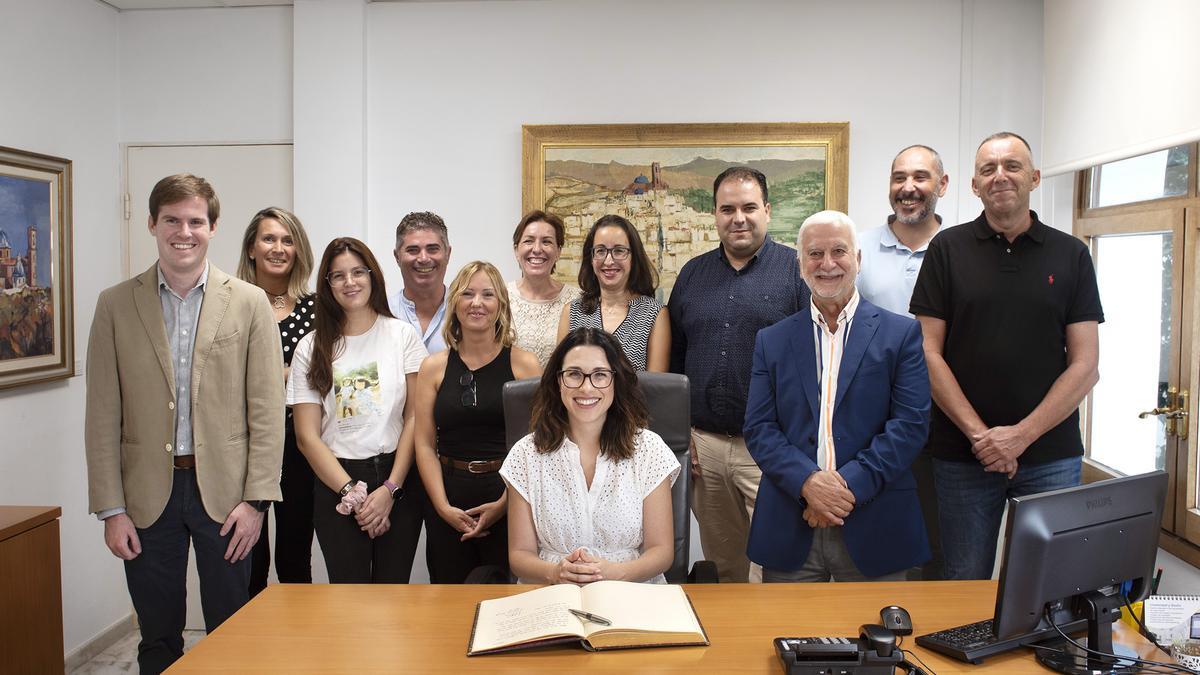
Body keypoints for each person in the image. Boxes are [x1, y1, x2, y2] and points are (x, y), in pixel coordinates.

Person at [85, 174, 284, 674]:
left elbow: (266, 408)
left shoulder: (248, 302)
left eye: (196, 221)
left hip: (228, 498)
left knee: (231, 633)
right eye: (172, 220)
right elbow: (103, 413)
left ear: (213, 227)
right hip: (146, 499)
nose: (184, 231)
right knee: (157, 636)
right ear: (152, 223)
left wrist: (256, 501)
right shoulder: (114, 304)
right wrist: (111, 509)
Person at [910, 131, 1103, 581]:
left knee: (1046, 586)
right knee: (962, 581)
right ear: (974, 186)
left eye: (1012, 166)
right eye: (988, 169)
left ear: (1034, 178)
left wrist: (1019, 437)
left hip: (1051, 455)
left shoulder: (1071, 254)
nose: (1001, 176)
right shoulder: (947, 250)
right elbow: (927, 351)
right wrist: (983, 438)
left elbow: (1086, 365)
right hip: (962, 454)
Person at [744, 210, 931, 582]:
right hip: (791, 522)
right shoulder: (772, 340)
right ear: (800, 265)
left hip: (875, 523)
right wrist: (809, 484)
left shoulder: (901, 335)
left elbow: (909, 427)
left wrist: (842, 491)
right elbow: (760, 428)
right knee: (784, 639)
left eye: (839, 251)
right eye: (815, 254)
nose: (827, 264)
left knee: (880, 639)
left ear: (858, 260)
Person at [668, 166, 809, 583]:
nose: (738, 218)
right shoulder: (692, 274)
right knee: (725, 566)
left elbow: (814, 365)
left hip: (769, 450)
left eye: (749, 207)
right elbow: (676, 360)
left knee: (777, 568)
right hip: (705, 449)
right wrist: (682, 432)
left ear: (767, 210)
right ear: (714, 215)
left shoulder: (796, 270)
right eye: (727, 209)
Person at [287, 237, 429, 583]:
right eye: (338, 276)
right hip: (337, 480)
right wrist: (351, 492)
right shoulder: (312, 345)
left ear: (372, 276)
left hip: (397, 479)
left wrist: (390, 489)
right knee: (348, 598)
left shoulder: (402, 335)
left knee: (393, 593)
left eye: (357, 272)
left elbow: (415, 417)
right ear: (328, 284)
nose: (350, 282)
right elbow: (306, 436)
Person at [501, 327, 679, 584]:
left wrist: (614, 573)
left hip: (631, 591)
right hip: (550, 592)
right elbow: (519, 555)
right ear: (557, 381)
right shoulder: (526, 454)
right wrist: (555, 573)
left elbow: (661, 551)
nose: (586, 387)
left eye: (600, 375)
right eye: (574, 374)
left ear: (616, 381)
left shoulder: (649, 449)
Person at [413, 261, 541, 583]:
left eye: (488, 295)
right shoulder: (434, 367)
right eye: (467, 294)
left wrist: (502, 505)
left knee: (506, 601)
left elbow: (539, 446)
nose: (477, 303)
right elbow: (425, 445)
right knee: (448, 598)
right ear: (455, 302)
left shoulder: (525, 365)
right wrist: (442, 507)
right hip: (447, 496)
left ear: (501, 305)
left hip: (509, 496)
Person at [856, 146, 948, 580]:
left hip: (946, 423)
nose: (908, 188)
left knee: (937, 544)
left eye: (920, 177)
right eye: (898, 178)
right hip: (874, 427)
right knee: (878, 549)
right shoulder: (858, 250)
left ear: (942, 185)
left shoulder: (959, 249)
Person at [237, 206, 318, 593]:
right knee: (248, 556)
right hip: (242, 443)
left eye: (288, 240)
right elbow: (226, 378)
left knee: (295, 557)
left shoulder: (316, 309)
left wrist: (267, 375)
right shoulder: (230, 304)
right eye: (269, 238)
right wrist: (290, 374)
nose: (278, 248)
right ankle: (250, 648)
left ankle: (298, 648)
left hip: (301, 445)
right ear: (252, 247)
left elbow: (324, 373)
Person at [556, 214, 669, 371]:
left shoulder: (654, 314)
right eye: (600, 251)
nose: (608, 261)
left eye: (619, 251)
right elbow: (561, 378)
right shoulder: (572, 312)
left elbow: (656, 388)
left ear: (633, 257)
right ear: (591, 257)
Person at [508, 210, 581, 366]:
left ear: (558, 251)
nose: (537, 249)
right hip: (507, 389)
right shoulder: (500, 297)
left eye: (546, 242)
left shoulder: (578, 301)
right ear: (516, 250)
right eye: (529, 241)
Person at [389, 211, 451, 354]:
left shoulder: (467, 314)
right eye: (413, 250)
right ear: (397, 257)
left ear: (448, 253)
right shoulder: (382, 315)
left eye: (432, 249)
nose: (423, 258)